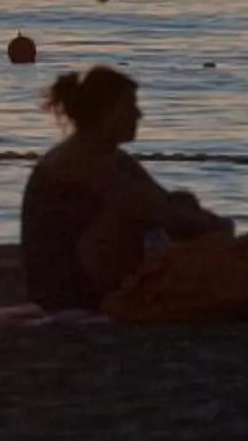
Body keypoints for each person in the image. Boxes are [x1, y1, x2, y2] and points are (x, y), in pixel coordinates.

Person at [18, 63, 232, 312]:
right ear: (105, 112)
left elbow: (163, 200)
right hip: (64, 288)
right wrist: (213, 227)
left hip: (86, 268)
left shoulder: (112, 157)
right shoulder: (79, 160)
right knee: (132, 215)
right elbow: (149, 209)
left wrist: (203, 219)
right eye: (130, 106)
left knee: (183, 201)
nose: (138, 115)